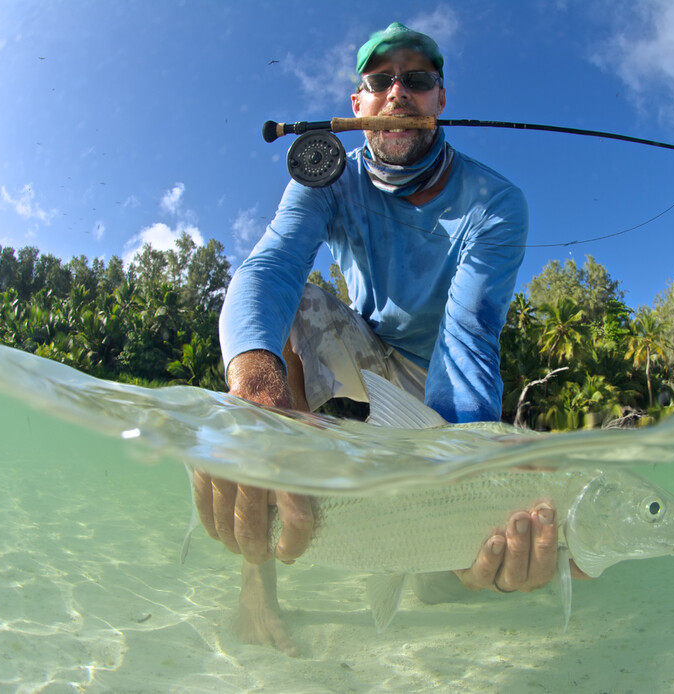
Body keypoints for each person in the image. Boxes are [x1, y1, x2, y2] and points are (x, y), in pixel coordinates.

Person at [193, 23, 582, 654]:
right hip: (364, 351)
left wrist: (467, 473)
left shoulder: (497, 203)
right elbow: (270, 269)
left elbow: (470, 334)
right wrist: (255, 393)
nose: (399, 92)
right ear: (357, 106)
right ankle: (257, 580)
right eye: (380, 81)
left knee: (444, 583)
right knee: (293, 310)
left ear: (440, 100)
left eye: (419, 80)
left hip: (441, 385)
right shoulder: (326, 179)